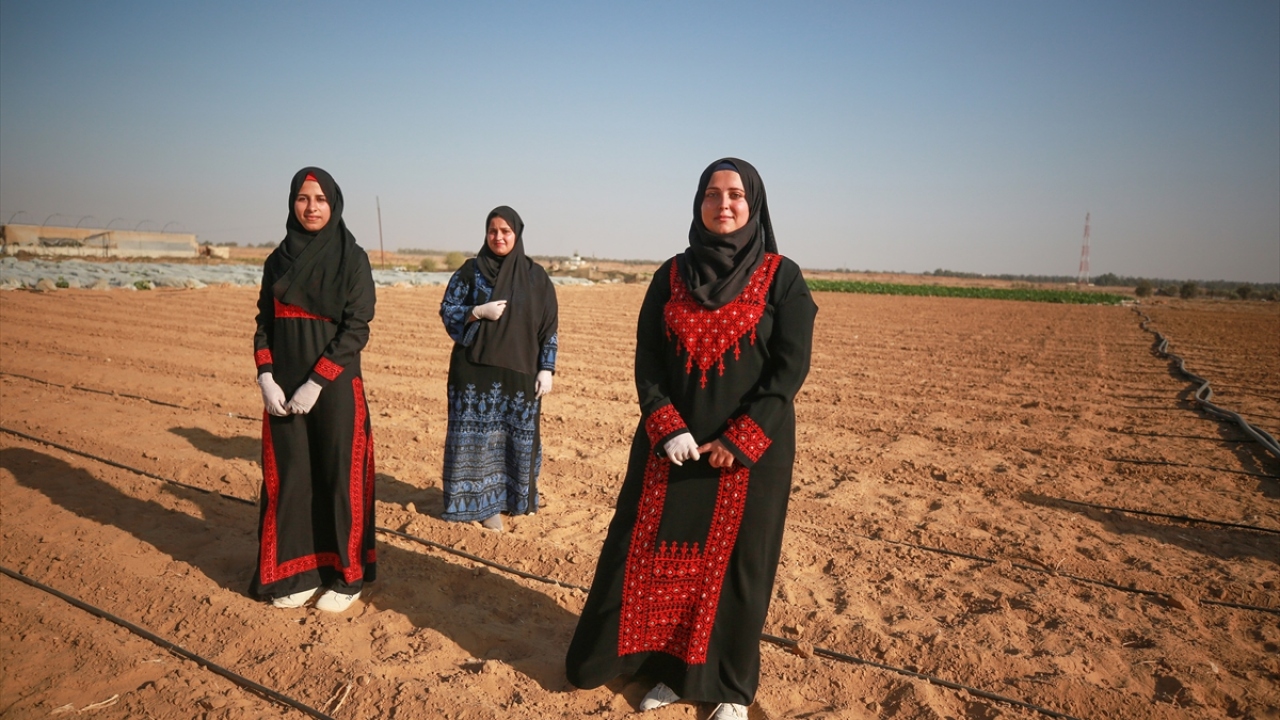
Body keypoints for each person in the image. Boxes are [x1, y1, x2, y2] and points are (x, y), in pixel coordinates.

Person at [565, 158, 817, 719]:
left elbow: (789, 369)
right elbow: (648, 359)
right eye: (711, 194)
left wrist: (742, 438)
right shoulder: (671, 275)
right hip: (671, 451)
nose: (722, 205)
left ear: (754, 205)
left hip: (750, 457)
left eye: (735, 196)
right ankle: (668, 672)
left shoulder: (783, 278)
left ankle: (726, 688)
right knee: (656, 555)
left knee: (736, 571)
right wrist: (664, 423)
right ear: (697, 203)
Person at [250, 167, 377, 613]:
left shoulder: (352, 258)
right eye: (304, 199)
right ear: (292, 203)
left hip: (335, 389)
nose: (311, 207)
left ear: (334, 203)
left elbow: (357, 327)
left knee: (338, 477)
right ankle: (297, 572)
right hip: (283, 390)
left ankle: (346, 577)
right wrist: (266, 375)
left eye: (320, 199)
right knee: (292, 479)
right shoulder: (278, 261)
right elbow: (264, 324)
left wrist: (317, 382)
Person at [438, 206, 558, 532]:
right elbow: (448, 310)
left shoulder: (536, 277)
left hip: (520, 373)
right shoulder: (469, 272)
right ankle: (478, 505)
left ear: (516, 234)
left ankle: (513, 501)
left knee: (513, 440)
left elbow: (549, 326)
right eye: (493, 231)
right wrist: (475, 311)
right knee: (476, 442)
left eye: (505, 231)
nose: (498, 237)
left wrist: (546, 368)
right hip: (475, 372)